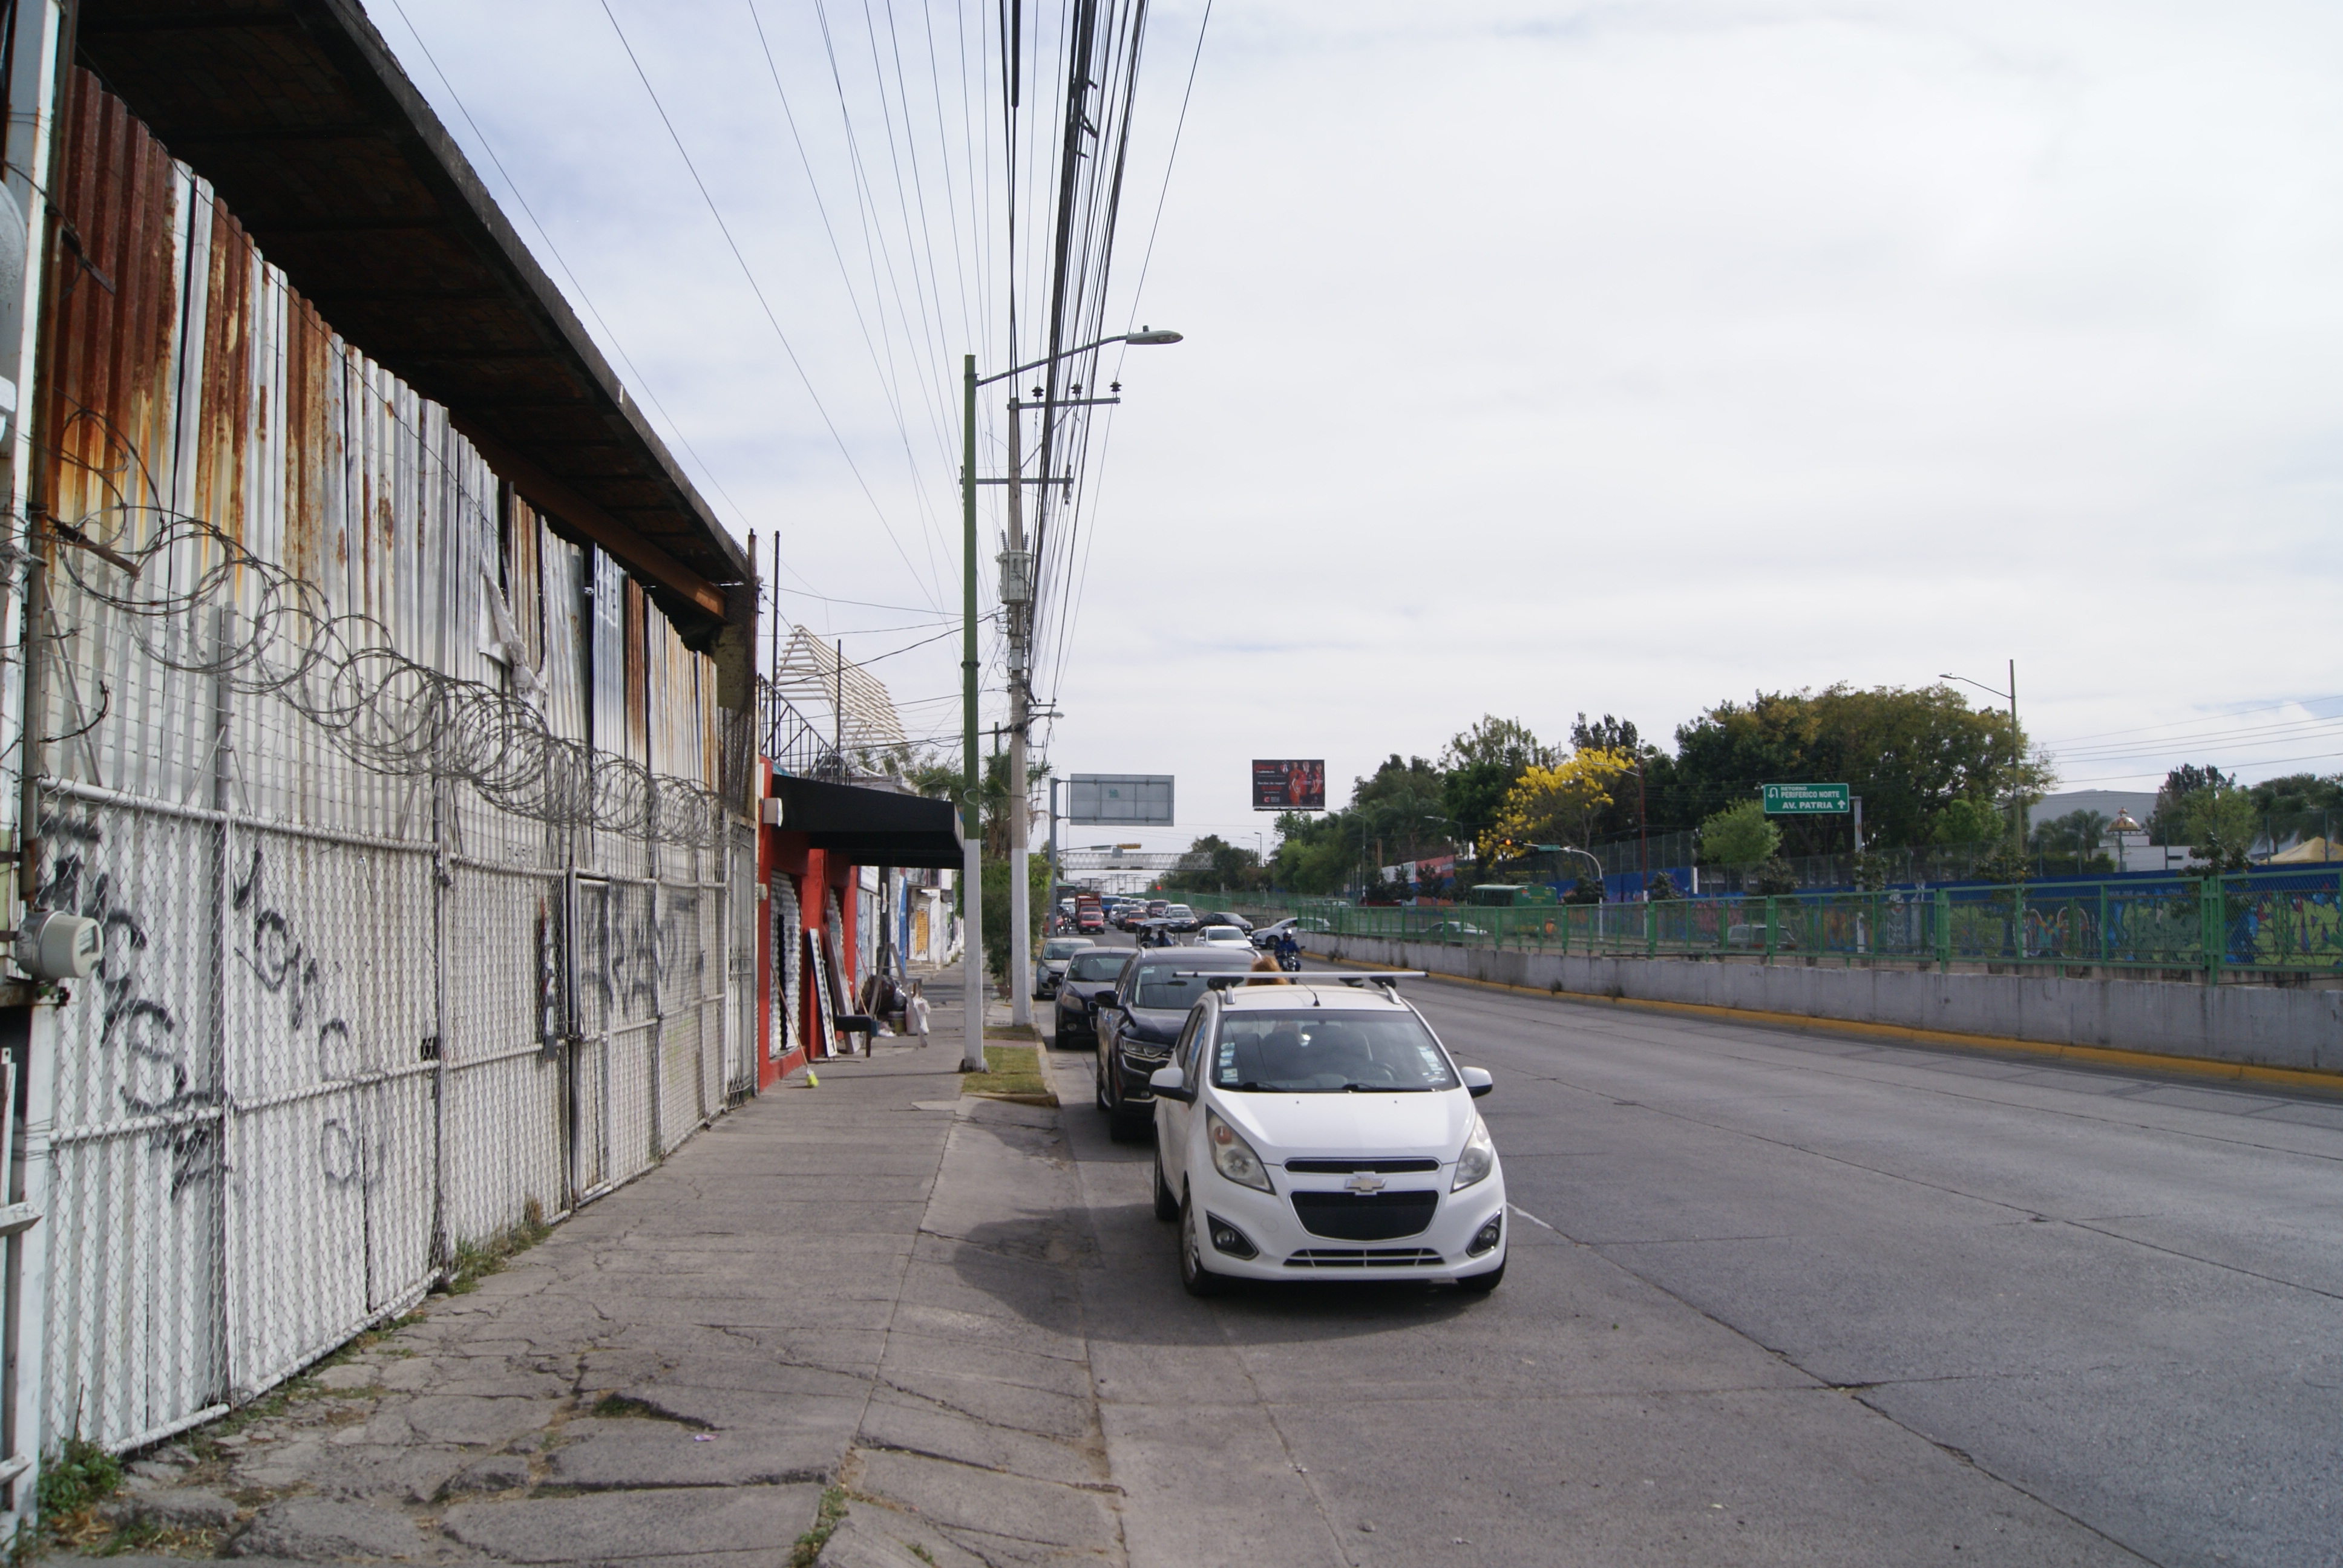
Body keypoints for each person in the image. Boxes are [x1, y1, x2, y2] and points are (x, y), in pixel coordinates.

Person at [906, 980, 931, 1048]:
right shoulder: (920, 1002)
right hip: (923, 1030)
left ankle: (913, 1029)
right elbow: (927, 1011)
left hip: (910, 1031)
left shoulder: (912, 1002)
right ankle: (920, 1029)